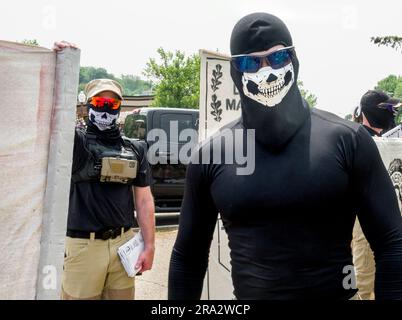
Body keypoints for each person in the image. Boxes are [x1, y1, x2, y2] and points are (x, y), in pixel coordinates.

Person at [168, 13, 402, 300]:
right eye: (250, 62)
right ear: (235, 71)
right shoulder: (213, 154)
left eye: (278, 58)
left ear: (294, 59)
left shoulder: (348, 140)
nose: (266, 71)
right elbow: (188, 257)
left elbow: (392, 243)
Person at [56, 41, 155, 300]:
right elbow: (51, 110)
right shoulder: (75, 143)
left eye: (111, 105)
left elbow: (143, 201)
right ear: (88, 105)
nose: (104, 109)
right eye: (99, 102)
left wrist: (150, 245)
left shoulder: (136, 149)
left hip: (124, 246)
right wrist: (61, 63)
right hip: (83, 248)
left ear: (119, 108)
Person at [352, 90, 401, 299]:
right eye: (387, 109)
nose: (392, 114)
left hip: (393, 229)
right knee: (365, 284)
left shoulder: (393, 142)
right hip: (365, 229)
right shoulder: (355, 139)